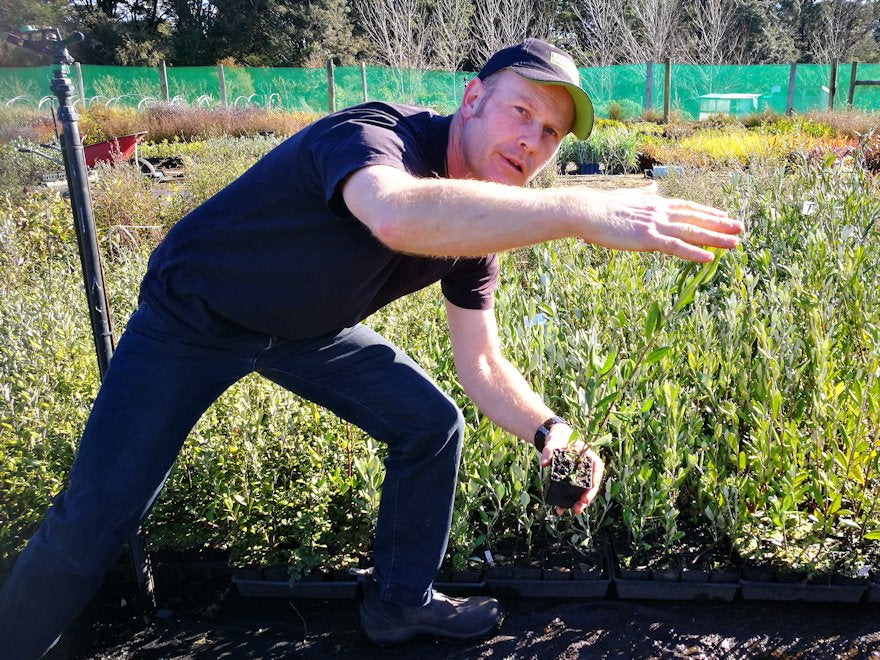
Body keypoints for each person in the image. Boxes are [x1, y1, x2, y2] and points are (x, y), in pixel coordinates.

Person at [0, 38, 742, 657]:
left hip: (307, 332)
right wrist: (579, 211)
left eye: (550, 134)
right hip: (192, 320)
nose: (532, 142)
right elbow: (394, 213)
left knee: (431, 425)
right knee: (92, 524)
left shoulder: (480, 224)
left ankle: (400, 602)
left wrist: (550, 434)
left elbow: (480, 361)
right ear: (473, 97)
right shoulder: (371, 134)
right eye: (522, 112)